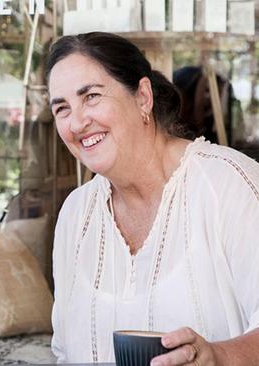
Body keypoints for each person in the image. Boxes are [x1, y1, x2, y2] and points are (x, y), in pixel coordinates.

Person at [46, 32, 259, 365]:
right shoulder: (76, 212)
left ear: (142, 97)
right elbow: (64, 351)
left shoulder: (229, 184)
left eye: (91, 96)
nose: (76, 122)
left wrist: (218, 356)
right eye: (62, 109)